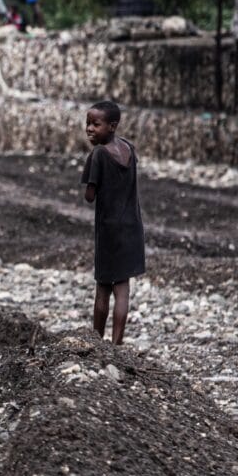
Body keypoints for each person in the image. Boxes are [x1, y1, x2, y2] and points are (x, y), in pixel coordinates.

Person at [80, 100, 145, 345]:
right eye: (88, 124)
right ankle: (117, 345)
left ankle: (97, 343)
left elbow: (89, 196)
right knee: (123, 290)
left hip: (109, 231)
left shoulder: (98, 154)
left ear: (112, 126)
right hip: (133, 228)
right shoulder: (129, 148)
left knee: (102, 290)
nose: (89, 129)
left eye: (96, 124)